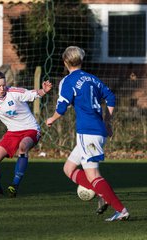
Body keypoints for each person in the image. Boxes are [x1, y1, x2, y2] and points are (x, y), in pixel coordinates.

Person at [45, 46, 129, 221]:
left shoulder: (68, 81)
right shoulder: (92, 79)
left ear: (65, 62)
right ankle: (102, 193)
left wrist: (51, 119)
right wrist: (107, 121)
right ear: (81, 61)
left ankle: (120, 209)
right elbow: (111, 97)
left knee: (93, 175)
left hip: (87, 131)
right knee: (68, 168)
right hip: (97, 130)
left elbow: (62, 107)